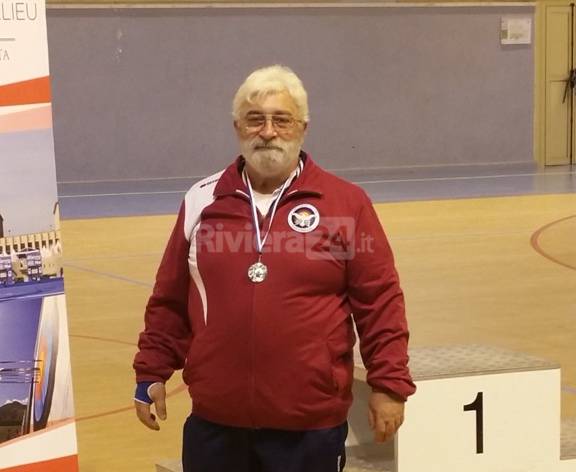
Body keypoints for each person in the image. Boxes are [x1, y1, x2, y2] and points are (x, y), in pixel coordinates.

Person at [133, 65, 416, 472]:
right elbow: (170, 300)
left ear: (302, 127)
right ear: (237, 128)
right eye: (255, 119)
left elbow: (380, 302)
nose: (267, 131)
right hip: (216, 422)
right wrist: (151, 371)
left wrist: (389, 385)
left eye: (281, 120)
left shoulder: (345, 204)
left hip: (309, 427)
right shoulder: (201, 200)